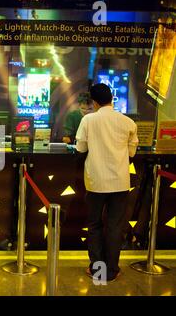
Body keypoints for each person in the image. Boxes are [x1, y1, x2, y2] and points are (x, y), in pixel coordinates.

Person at [76, 83, 138, 282]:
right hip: (120, 182)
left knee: (94, 225)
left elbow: (80, 148)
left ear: (94, 102)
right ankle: (111, 271)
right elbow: (131, 152)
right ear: (112, 98)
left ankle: (97, 270)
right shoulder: (128, 122)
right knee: (115, 226)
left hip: (96, 181)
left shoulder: (88, 120)